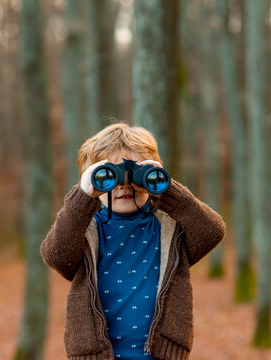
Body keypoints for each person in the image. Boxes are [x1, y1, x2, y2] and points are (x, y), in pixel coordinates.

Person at [41, 122, 226, 360]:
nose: (123, 184)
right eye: (109, 174)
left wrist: (166, 189)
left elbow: (212, 230)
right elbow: (55, 255)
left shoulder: (169, 228)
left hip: (161, 354)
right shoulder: (84, 229)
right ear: (93, 181)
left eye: (134, 175)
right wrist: (82, 195)